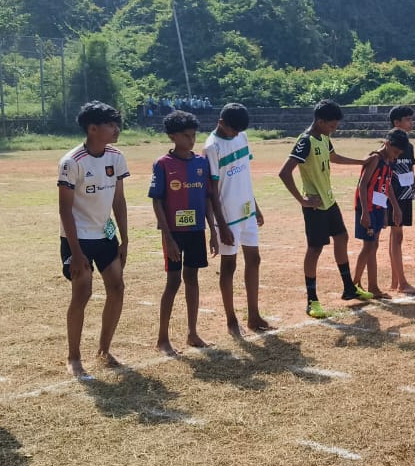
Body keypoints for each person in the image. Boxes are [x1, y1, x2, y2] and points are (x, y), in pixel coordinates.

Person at [279, 100, 374, 319]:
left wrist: (361, 162)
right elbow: (284, 172)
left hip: (329, 201)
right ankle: (312, 300)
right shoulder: (305, 141)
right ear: (320, 121)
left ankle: (349, 288)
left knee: (342, 237)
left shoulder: (323, 137)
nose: (334, 129)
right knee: (315, 249)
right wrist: (302, 200)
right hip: (315, 206)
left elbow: (333, 157)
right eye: (332, 125)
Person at [58, 101, 130, 378]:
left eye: (116, 124)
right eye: (110, 125)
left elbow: (119, 200)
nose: (116, 129)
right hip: (78, 240)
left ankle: (104, 349)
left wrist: (125, 240)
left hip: (106, 235)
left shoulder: (116, 157)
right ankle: (73, 357)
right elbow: (65, 209)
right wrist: (76, 252)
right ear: (93, 129)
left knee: (117, 287)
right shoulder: (71, 162)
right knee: (82, 293)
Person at [149, 110, 229, 356]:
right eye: (186, 136)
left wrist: (212, 230)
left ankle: (192, 333)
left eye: (194, 135)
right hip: (174, 233)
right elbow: (157, 202)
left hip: (196, 232)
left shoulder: (201, 163)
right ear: (173, 136)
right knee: (173, 282)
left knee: (192, 279)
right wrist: (168, 237)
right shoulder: (163, 164)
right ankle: (163, 338)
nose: (191, 140)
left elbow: (207, 198)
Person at [203, 103, 271, 336]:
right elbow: (212, 191)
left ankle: (254, 315)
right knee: (228, 266)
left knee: (254, 259)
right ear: (221, 123)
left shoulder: (242, 136)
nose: (235, 134)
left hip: (247, 211)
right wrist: (221, 225)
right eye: (233, 130)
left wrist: (256, 206)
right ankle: (231, 319)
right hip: (227, 217)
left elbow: (244, 175)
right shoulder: (212, 147)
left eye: (238, 131)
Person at [352, 129, 408, 299]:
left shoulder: (388, 160)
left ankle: (373, 287)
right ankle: (353, 284)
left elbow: (386, 184)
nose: (396, 156)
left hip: (378, 207)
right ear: (388, 144)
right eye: (395, 152)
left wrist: (392, 208)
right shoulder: (375, 159)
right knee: (368, 246)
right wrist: (365, 212)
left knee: (373, 245)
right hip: (367, 208)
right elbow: (362, 185)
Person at [386, 106, 415, 295]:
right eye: (408, 119)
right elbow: (386, 177)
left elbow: (411, 173)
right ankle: (401, 282)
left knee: (396, 236)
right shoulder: (389, 146)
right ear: (397, 122)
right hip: (394, 197)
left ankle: (396, 281)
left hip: (406, 195)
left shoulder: (409, 147)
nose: (411, 123)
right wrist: (394, 205)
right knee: (396, 236)